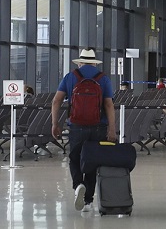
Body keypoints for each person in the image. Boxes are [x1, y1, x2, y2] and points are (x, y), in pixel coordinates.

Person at [51, 48, 116, 213]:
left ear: (80, 62)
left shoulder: (71, 76)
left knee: (75, 158)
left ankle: (78, 184)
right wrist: (112, 129)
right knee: (93, 161)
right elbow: (109, 104)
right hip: (98, 126)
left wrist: (55, 124)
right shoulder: (103, 79)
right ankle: (88, 201)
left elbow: (56, 101)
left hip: (76, 126)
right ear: (94, 62)